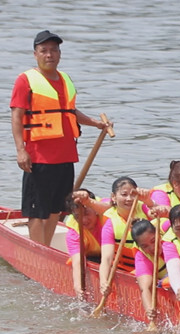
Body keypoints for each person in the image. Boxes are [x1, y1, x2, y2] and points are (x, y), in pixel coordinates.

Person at [10, 30, 112, 246]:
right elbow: (17, 116)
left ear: (59, 53)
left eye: (54, 50)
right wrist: (20, 150)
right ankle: (38, 253)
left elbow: (69, 112)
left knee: (56, 209)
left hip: (66, 156)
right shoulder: (25, 80)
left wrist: (96, 123)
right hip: (38, 157)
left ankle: (46, 250)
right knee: (37, 210)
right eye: (44, 50)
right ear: (36, 54)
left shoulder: (65, 79)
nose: (49, 55)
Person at [99, 177, 150, 297]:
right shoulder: (110, 224)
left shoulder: (145, 208)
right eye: (124, 194)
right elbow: (106, 258)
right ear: (113, 197)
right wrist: (103, 282)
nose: (129, 199)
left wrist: (149, 201)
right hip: (127, 269)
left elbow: (164, 217)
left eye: (133, 194)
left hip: (149, 266)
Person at [64, 189, 109, 298]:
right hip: (95, 257)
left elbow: (117, 209)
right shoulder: (74, 233)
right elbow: (78, 261)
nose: (83, 220)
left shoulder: (105, 210)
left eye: (87, 213)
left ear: (95, 209)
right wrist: (78, 286)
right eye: (77, 216)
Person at [131, 219, 166, 322]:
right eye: (145, 246)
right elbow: (145, 288)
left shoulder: (170, 236)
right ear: (139, 247)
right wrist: (150, 311)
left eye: (153, 241)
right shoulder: (141, 257)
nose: (152, 248)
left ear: (158, 234)